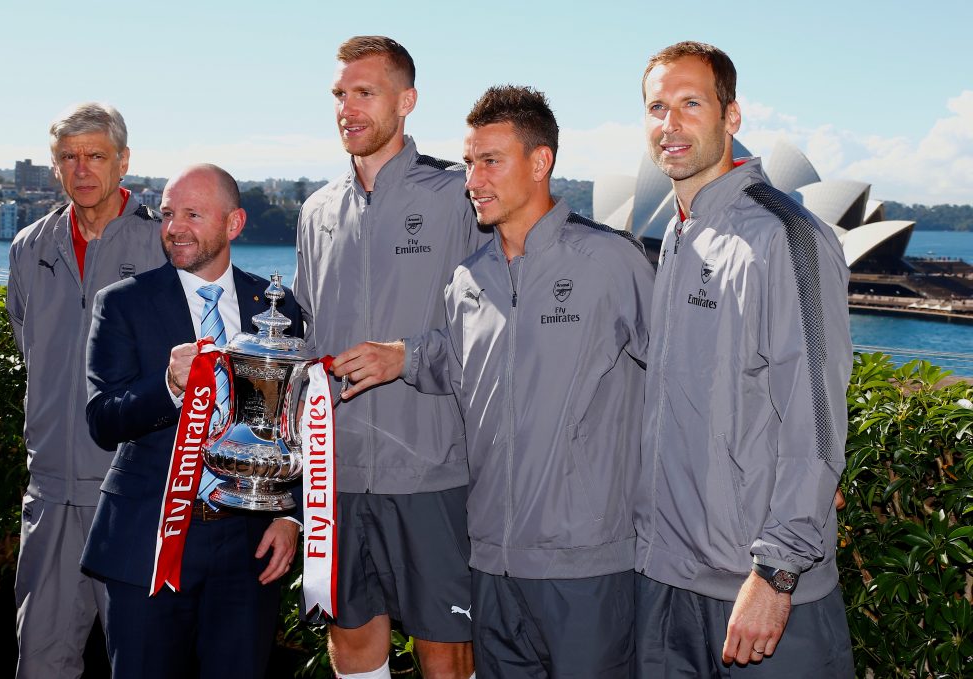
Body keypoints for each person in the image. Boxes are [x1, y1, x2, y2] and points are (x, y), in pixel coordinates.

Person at [335, 85, 654, 678]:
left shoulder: (611, 262)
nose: (473, 180)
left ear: (540, 163)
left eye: (491, 162)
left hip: (585, 564)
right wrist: (400, 356)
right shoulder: (469, 279)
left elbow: (682, 381)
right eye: (468, 163)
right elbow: (455, 364)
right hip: (489, 560)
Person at [632, 41, 855, 677]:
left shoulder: (786, 237)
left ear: (731, 117)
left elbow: (815, 421)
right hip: (668, 578)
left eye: (690, 103)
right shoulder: (680, 232)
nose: (669, 123)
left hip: (754, 588)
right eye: (656, 106)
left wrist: (777, 572)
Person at [292, 35, 487, 679]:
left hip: (434, 472)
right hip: (335, 479)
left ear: (406, 102)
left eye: (365, 93)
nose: (349, 108)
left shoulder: (457, 196)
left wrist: (407, 356)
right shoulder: (316, 211)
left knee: (444, 652)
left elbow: (497, 330)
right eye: (340, 95)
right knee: (350, 645)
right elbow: (304, 341)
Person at [80, 164, 302, 679]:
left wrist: (290, 517)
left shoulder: (276, 308)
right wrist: (170, 387)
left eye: (193, 214)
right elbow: (102, 420)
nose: (174, 227)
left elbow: (298, 425)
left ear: (234, 223)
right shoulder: (122, 303)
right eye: (167, 214)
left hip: (249, 548)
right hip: (147, 541)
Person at [6, 102, 167, 679]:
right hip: (49, 491)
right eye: (68, 158)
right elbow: (33, 348)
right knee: (41, 663)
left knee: (143, 662)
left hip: (134, 493)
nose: (82, 169)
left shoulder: (161, 247)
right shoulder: (29, 246)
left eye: (96, 155)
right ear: (54, 169)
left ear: (123, 161)